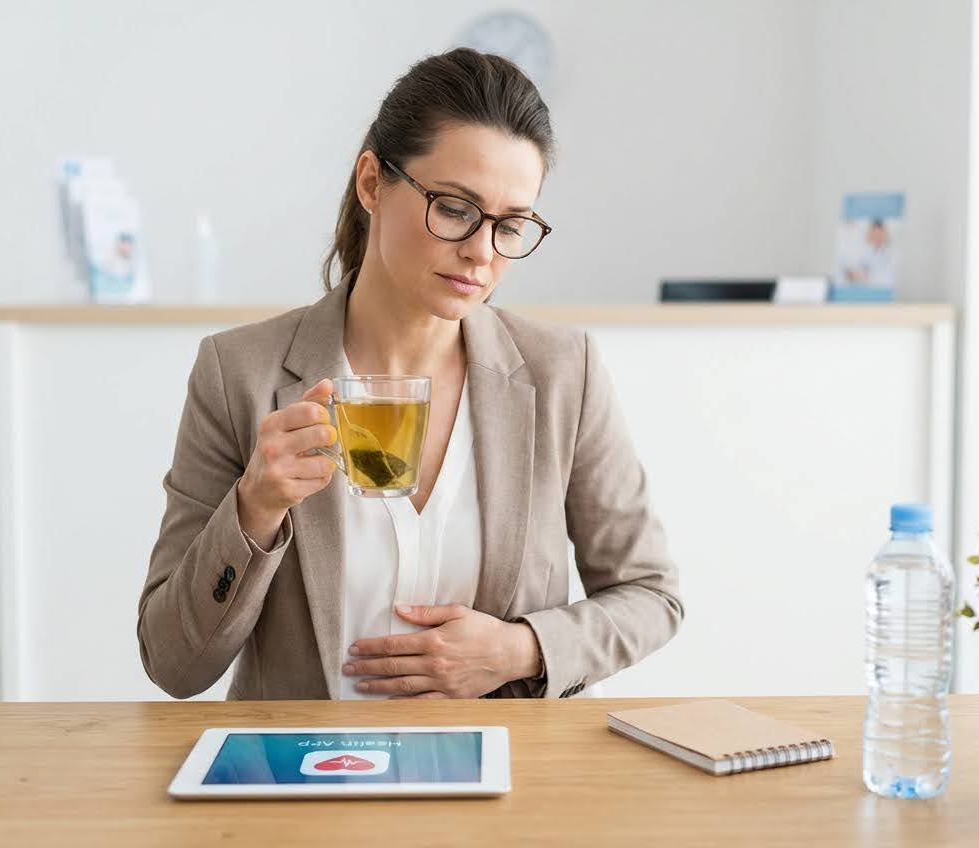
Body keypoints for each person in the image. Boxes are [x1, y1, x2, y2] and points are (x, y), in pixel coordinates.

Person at [137, 48, 682, 701]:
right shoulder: (239, 373)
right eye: (454, 208)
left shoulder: (564, 372)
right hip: (308, 781)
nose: (481, 252)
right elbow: (173, 664)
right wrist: (253, 508)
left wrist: (520, 649)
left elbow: (651, 596)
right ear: (372, 182)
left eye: (511, 226)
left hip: (511, 781)